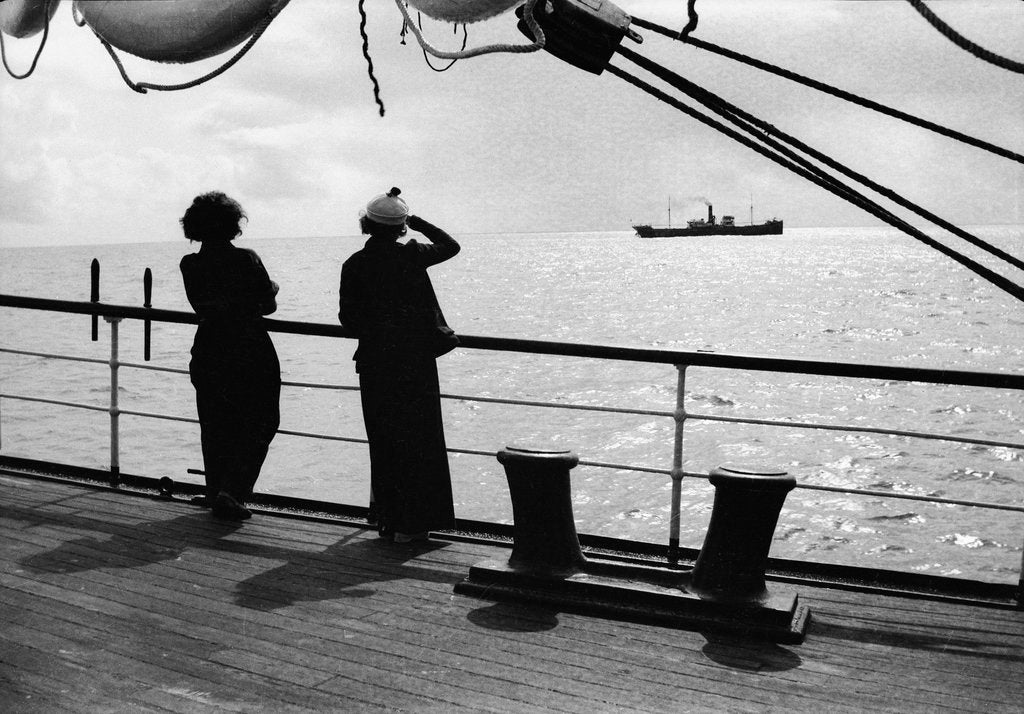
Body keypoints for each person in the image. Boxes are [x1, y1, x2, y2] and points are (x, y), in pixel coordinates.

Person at [339, 187, 460, 543]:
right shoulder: (412, 255)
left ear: (366, 224)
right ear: (401, 226)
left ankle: (389, 520)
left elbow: (349, 319)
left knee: (385, 440)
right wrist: (416, 219)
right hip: (415, 361)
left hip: (376, 362)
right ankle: (418, 523)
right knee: (421, 439)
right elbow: (451, 245)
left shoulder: (355, 264)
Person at [179, 191, 281, 521]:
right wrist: (272, 287)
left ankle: (216, 491)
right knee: (262, 420)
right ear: (233, 224)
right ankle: (232, 491)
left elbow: (203, 304)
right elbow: (267, 304)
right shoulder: (246, 259)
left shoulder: (190, 264)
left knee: (215, 422)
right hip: (249, 346)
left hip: (209, 347)